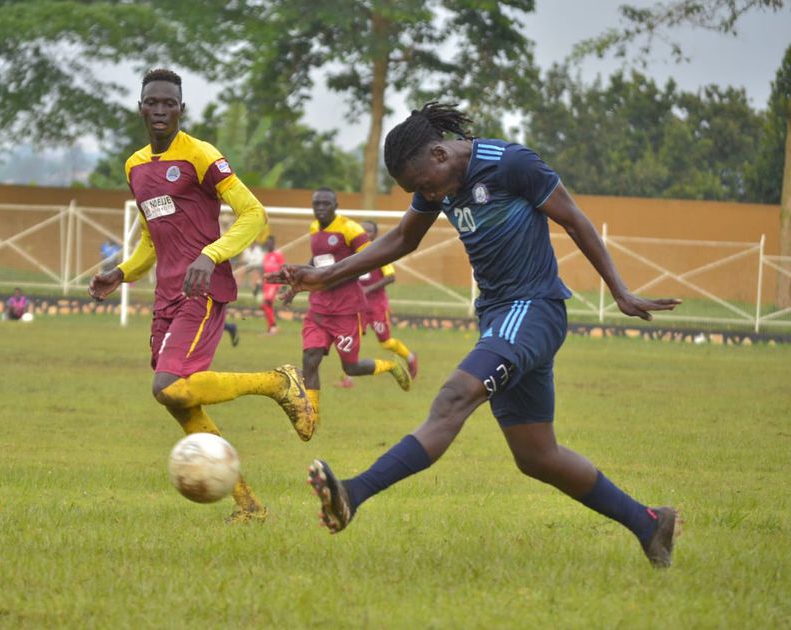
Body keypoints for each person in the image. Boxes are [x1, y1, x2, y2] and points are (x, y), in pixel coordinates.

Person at [270, 103, 682, 567]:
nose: (425, 195)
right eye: (416, 191)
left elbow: (574, 219)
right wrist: (326, 276)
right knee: (537, 455)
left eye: (424, 185)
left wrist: (619, 291)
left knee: (452, 397)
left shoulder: (511, 164)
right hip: (499, 316)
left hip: (534, 308)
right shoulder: (439, 180)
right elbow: (405, 237)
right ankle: (650, 522)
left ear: (441, 154)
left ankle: (354, 493)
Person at [87, 68, 315, 523]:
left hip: (203, 289)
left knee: (167, 387)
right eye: (152, 102)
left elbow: (253, 213)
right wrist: (122, 272)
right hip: (167, 296)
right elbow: (154, 238)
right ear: (140, 107)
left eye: (169, 103)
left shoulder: (201, 155)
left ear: (181, 109)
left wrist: (211, 255)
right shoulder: (135, 167)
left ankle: (276, 382)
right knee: (178, 399)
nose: (159, 110)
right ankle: (249, 506)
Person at [284, 187, 412, 431]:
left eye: (325, 204)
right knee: (310, 359)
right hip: (319, 307)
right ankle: (311, 418)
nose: (320, 208)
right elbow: (317, 261)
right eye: (316, 204)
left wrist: (340, 276)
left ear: (336, 205)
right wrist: (299, 279)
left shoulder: (351, 229)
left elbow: (372, 257)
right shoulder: (314, 229)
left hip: (345, 310)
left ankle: (391, 365)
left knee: (350, 367)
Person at [336, 220, 419, 388]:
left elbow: (390, 277)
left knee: (386, 343)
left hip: (376, 305)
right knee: (352, 338)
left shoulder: (381, 253)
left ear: (375, 234)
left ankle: (410, 357)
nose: (366, 233)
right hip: (357, 305)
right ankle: (347, 379)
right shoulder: (352, 253)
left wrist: (367, 290)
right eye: (363, 230)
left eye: (369, 231)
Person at [260, 235, 285, 334]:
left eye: (270, 242)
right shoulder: (266, 255)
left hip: (274, 283)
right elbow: (264, 269)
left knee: (267, 303)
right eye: (267, 243)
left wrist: (282, 284)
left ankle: (273, 327)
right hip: (266, 284)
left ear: (273, 243)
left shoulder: (278, 254)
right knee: (265, 306)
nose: (268, 244)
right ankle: (271, 327)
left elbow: (283, 268)